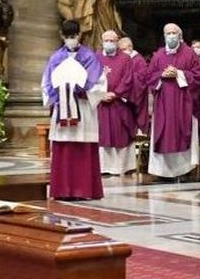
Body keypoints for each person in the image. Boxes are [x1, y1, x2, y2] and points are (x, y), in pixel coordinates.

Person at [43, 20, 107, 200]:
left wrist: (84, 89)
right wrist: (58, 92)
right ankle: (62, 190)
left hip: (83, 107)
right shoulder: (55, 58)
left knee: (82, 146)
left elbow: (100, 83)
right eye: (68, 36)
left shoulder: (90, 57)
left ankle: (84, 189)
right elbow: (46, 83)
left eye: (74, 36)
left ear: (80, 35)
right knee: (64, 147)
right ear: (62, 36)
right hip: (63, 107)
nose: (71, 39)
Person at [147, 23, 200, 179]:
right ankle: (162, 172)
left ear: (180, 35)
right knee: (163, 133)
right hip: (163, 104)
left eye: (174, 33)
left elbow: (198, 77)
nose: (171, 36)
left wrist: (179, 73)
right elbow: (149, 77)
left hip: (183, 103)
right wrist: (161, 76)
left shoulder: (190, 54)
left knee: (182, 132)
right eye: (168, 33)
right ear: (164, 36)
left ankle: (183, 171)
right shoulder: (158, 55)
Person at [95, 30, 141, 176]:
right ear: (102, 42)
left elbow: (128, 79)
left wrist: (116, 93)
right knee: (102, 134)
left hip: (119, 103)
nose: (109, 43)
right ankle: (102, 167)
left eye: (112, 41)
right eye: (106, 40)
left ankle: (121, 167)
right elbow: (90, 78)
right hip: (101, 103)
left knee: (120, 133)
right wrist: (100, 94)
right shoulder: (95, 58)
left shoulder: (126, 59)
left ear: (117, 42)